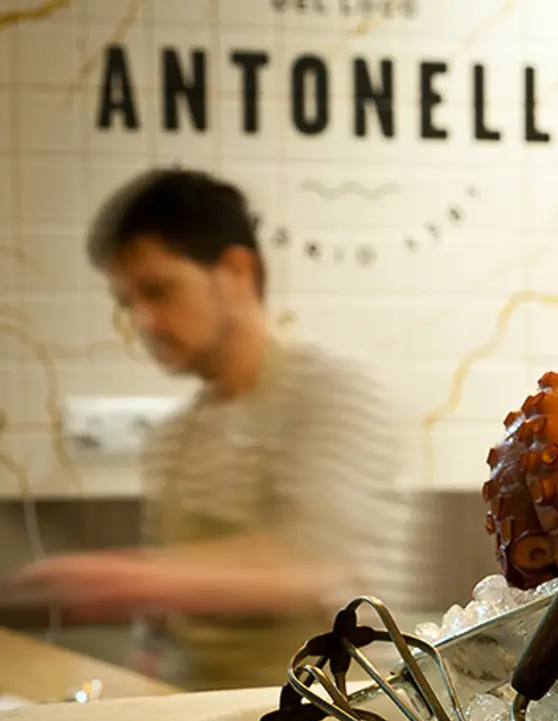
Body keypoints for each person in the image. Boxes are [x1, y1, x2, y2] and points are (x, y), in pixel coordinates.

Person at [2, 167, 410, 691]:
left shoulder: (335, 395)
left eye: (159, 290)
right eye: (129, 302)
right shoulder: (175, 438)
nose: (142, 320)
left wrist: (115, 577)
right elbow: (158, 631)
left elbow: (312, 569)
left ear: (237, 272)